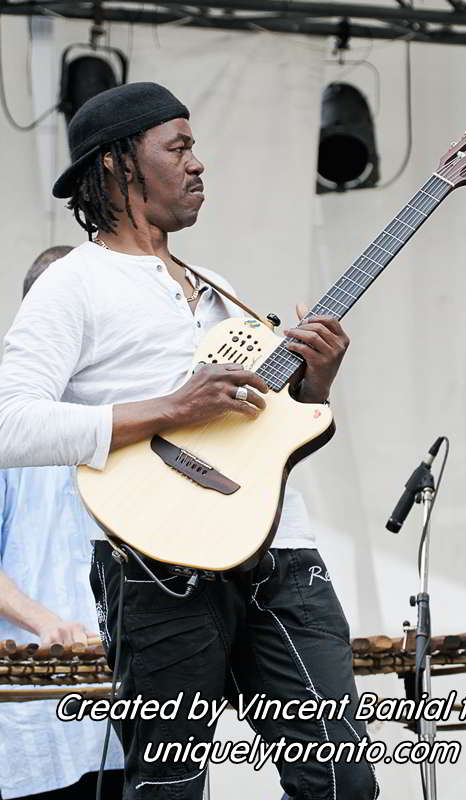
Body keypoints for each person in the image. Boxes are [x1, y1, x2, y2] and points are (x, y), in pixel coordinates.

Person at [0, 83, 379, 800]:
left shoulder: (219, 288)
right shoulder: (73, 285)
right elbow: (9, 424)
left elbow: (264, 432)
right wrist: (168, 408)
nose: (198, 164)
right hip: (156, 566)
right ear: (114, 165)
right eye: (178, 147)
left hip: (279, 555)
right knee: (171, 787)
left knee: (341, 779)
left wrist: (315, 386)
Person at [0, 247, 124, 799]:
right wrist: (45, 621)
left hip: (130, 705)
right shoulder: (8, 425)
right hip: (37, 704)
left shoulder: (138, 416)